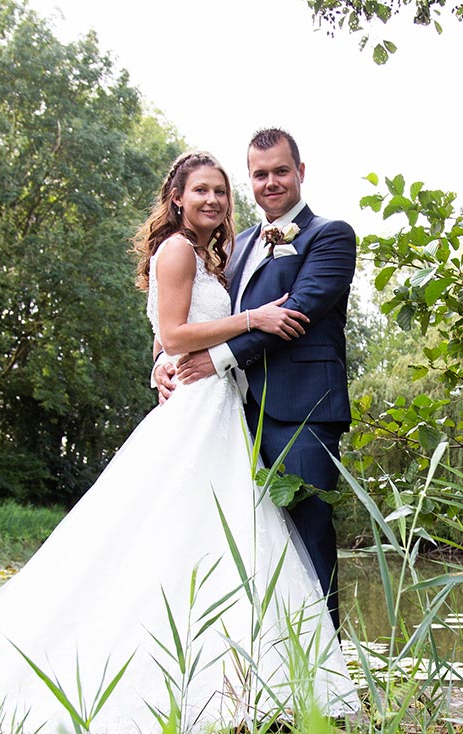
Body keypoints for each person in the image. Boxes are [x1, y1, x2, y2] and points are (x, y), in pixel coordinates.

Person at [0, 151, 357, 734]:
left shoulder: (274, 244)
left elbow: (272, 317)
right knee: (182, 535)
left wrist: (184, 353)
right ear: (176, 197)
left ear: (299, 172)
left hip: (264, 409)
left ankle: (287, 682)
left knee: (270, 541)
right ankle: (231, 682)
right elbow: (176, 330)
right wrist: (175, 354)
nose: (219, 198)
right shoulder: (183, 249)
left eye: (223, 190)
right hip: (212, 410)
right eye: (205, 189)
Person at [156, 128, 356, 628]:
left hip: (303, 413)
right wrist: (162, 358)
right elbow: (185, 317)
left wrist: (216, 357)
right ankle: (263, 673)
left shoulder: (330, 235)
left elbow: (298, 313)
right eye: (260, 174)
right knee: (250, 548)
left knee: (308, 541)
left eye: (280, 171)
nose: (270, 182)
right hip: (233, 418)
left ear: (300, 172)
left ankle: (322, 685)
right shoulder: (235, 246)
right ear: (250, 179)